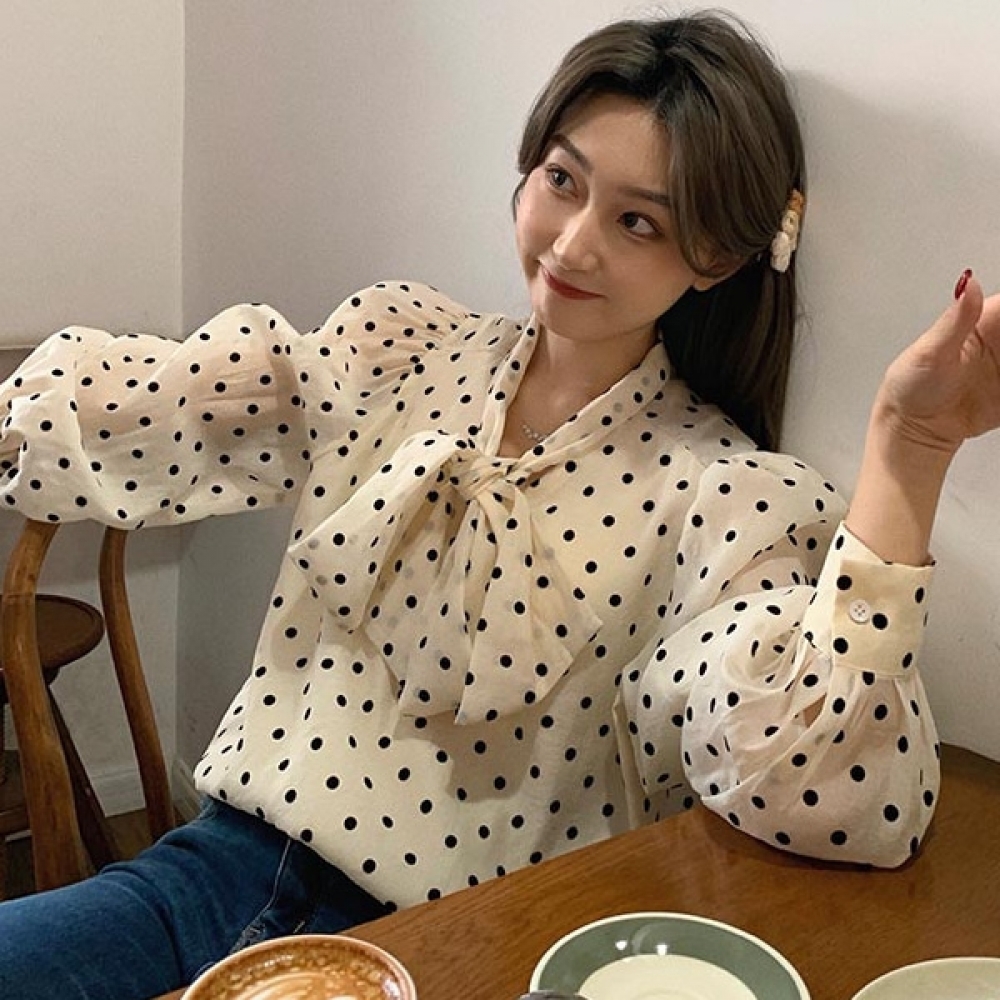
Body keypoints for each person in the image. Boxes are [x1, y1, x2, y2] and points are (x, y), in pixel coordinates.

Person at [0, 11, 997, 1000]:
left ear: (719, 260)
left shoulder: (720, 494)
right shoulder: (397, 349)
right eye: (562, 180)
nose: (572, 244)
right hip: (212, 874)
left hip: (460, 945)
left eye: (638, 222)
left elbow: (821, 789)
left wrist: (907, 452)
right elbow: (165, 404)